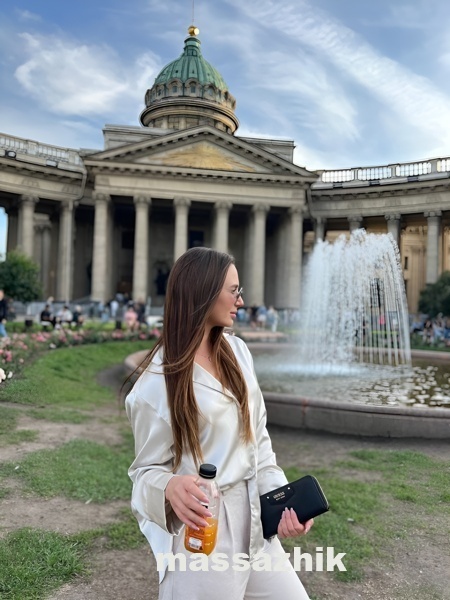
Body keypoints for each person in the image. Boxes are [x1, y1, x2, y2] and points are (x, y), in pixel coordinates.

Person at [125, 247, 313, 600]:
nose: (241, 300)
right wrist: (169, 487)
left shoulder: (238, 352)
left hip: (256, 521)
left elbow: (259, 443)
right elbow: (144, 472)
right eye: (234, 290)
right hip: (203, 532)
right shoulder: (154, 385)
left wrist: (283, 502)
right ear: (204, 293)